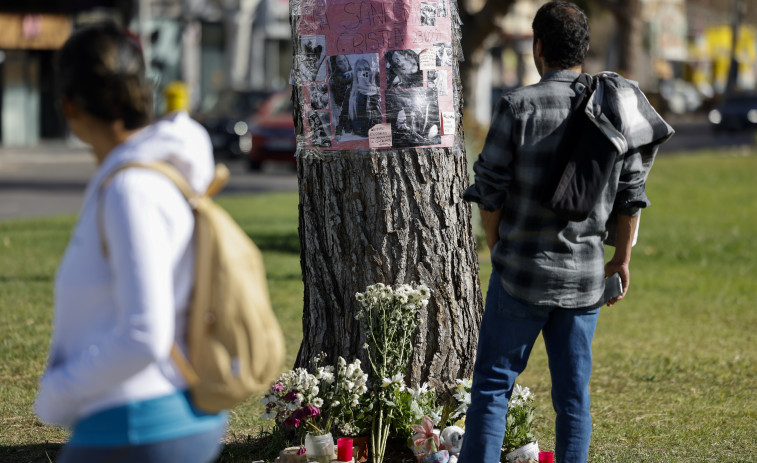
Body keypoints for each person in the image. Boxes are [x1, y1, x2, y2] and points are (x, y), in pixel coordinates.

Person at [458, 3, 673, 463]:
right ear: (586, 49)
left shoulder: (516, 106)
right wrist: (622, 260)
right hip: (584, 279)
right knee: (573, 398)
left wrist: (497, 245)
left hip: (519, 273)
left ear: (537, 47)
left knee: (494, 387)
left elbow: (490, 190)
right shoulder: (614, 105)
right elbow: (632, 194)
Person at [33, 23, 226, 463]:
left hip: (138, 426)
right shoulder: (152, 173)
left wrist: (55, 394)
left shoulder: (131, 188)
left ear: (68, 105)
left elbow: (144, 334)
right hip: (168, 417)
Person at [345, 58, 382, 138]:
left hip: (375, 134)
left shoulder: (377, 92)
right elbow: (345, 115)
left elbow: (380, 115)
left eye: (366, 69)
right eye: (359, 69)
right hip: (357, 136)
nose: (363, 72)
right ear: (355, 72)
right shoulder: (351, 92)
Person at [329, 55, 353, 136]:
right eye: (340, 62)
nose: (344, 64)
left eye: (345, 60)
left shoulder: (356, 74)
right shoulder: (334, 81)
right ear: (336, 65)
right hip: (342, 114)